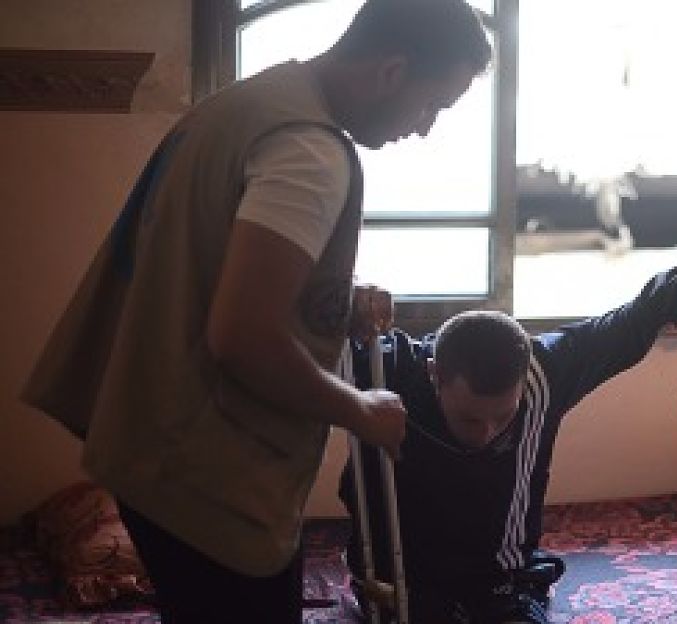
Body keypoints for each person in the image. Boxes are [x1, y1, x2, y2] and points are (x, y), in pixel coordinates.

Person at [20, 1, 491, 621]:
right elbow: (242, 335)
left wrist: (334, 303)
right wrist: (361, 410)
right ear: (392, 70)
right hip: (209, 476)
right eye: (435, 104)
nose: (426, 127)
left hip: (145, 441)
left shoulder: (246, 104)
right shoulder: (310, 154)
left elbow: (204, 260)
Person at [341, 260, 677, 623]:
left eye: (503, 418)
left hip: (501, 582)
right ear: (435, 375)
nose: (488, 434)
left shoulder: (547, 372)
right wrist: (342, 300)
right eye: (471, 418)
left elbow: (636, 319)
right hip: (401, 577)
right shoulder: (389, 370)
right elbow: (297, 340)